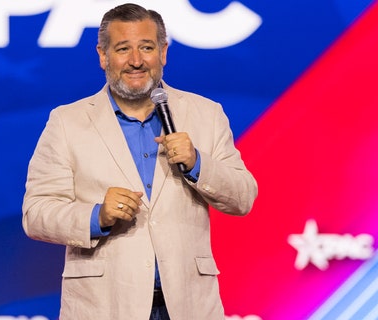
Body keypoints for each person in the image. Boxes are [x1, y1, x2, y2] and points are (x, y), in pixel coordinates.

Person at [22, 3, 257, 319]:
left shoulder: (206, 114)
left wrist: (197, 162)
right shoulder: (67, 122)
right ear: (103, 56)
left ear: (163, 53)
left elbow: (243, 196)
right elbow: (36, 214)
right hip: (105, 305)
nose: (136, 61)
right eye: (122, 49)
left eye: (146, 47)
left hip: (188, 304)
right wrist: (97, 215)